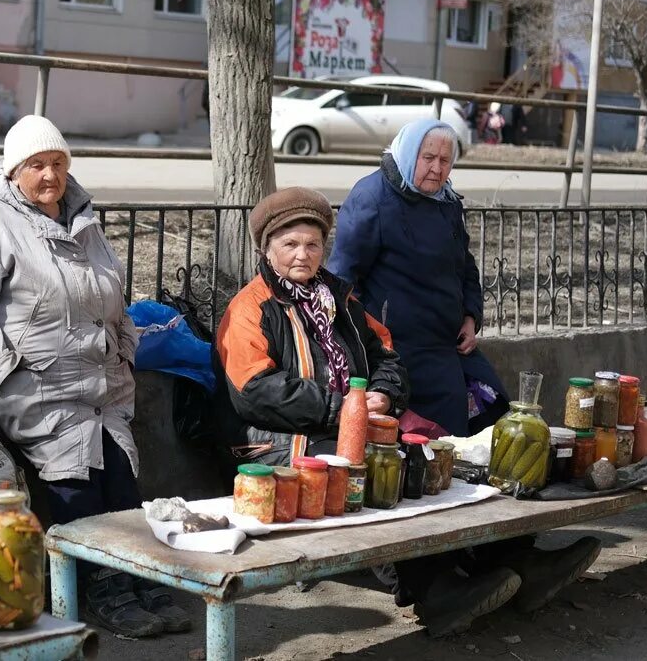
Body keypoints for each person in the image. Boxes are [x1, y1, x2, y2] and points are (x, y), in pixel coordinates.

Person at [328, 119, 601, 635]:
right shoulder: (373, 198)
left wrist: (471, 314)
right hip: (402, 355)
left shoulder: (447, 202)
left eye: (445, 160)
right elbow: (343, 281)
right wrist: (368, 350)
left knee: (504, 437)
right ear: (408, 155)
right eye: (428, 158)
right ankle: (442, 582)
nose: (436, 168)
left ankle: (521, 559)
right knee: (434, 458)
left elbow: (465, 268)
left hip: (454, 347)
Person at [0, 115, 188, 640]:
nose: (49, 175)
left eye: (57, 163)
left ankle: (134, 578)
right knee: (76, 490)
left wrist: (125, 350)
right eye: (37, 165)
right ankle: (100, 590)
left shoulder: (83, 217)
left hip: (102, 388)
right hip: (39, 389)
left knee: (121, 483)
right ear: (13, 170)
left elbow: (114, 296)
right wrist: (7, 374)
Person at [211, 186, 408, 466]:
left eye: (312, 244)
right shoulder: (249, 307)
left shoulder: (340, 301)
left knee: (402, 466)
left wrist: (384, 394)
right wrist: (340, 408)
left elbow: (385, 355)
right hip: (271, 441)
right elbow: (254, 391)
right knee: (350, 470)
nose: (303, 255)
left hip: (341, 428)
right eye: (290, 245)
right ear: (266, 250)